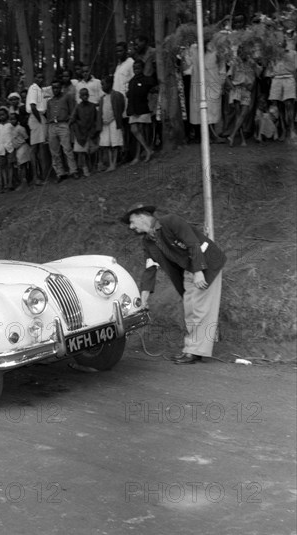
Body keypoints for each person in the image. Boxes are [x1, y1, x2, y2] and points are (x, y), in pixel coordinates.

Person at [121, 203, 226, 364]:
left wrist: (198, 271)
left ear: (142, 216)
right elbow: (150, 269)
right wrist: (143, 298)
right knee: (191, 308)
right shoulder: (148, 241)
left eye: (132, 221)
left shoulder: (170, 221)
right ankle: (195, 350)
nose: (131, 226)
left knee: (200, 308)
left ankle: (194, 351)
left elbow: (192, 243)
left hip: (205, 264)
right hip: (189, 269)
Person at [46, 80, 78, 182]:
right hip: (52, 126)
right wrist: (49, 128)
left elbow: (73, 110)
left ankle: (73, 170)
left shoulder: (67, 97)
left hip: (63, 124)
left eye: (57, 87)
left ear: (61, 88)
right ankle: (60, 173)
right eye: (53, 88)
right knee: (54, 151)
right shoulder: (50, 101)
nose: (55, 90)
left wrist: (69, 122)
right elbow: (48, 116)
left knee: (67, 149)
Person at [126, 59, 156, 164]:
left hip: (142, 109)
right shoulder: (131, 82)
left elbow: (153, 89)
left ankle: (139, 156)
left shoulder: (147, 80)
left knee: (142, 132)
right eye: (134, 68)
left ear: (142, 68)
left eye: (138, 68)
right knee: (134, 130)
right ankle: (147, 150)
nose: (136, 70)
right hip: (133, 110)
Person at [267, 40, 297, 141]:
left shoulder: (293, 53)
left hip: (289, 79)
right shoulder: (273, 56)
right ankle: (284, 130)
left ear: (285, 44)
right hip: (277, 79)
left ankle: (292, 130)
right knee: (279, 106)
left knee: (289, 105)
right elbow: (270, 70)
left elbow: (296, 69)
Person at [26, 70, 50, 185]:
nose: (40, 79)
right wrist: (40, 121)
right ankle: (36, 177)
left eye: (42, 78)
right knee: (35, 148)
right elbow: (33, 106)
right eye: (38, 77)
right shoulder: (33, 88)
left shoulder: (41, 90)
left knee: (41, 147)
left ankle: (43, 175)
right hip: (36, 118)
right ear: (35, 78)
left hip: (40, 117)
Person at [97, 75, 125, 172]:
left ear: (109, 84)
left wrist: (115, 117)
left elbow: (121, 106)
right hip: (105, 124)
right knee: (107, 144)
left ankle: (114, 163)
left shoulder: (117, 95)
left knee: (115, 143)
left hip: (114, 122)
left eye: (103, 84)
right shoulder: (102, 98)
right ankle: (110, 163)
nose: (102, 87)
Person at [70, 88, 97, 177]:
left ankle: (93, 167)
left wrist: (94, 129)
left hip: (91, 132)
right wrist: (77, 126)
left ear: (88, 95)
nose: (85, 96)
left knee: (93, 150)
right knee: (82, 152)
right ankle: (85, 168)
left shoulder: (92, 106)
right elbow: (72, 119)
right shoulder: (78, 107)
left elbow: (96, 119)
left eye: (86, 94)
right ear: (80, 96)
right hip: (81, 132)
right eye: (83, 95)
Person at [0, 106, 14, 193]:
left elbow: (13, 135)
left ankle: (10, 183)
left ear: (6, 115)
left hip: (10, 147)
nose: (2, 116)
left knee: (10, 165)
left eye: (3, 114)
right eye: (0, 115)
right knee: (2, 167)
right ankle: (4, 184)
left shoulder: (10, 124)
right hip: (0, 148)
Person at [9, 112, 30, 190]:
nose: (12, 121)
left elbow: (26, 137)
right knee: (20, 166)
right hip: (17, 149)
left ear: (17, 119)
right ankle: (23, 181)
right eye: (10, 119)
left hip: (22, 147)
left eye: (13, 119)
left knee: (23, 165)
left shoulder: (20, 128)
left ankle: (24, 182)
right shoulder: (12, 129)